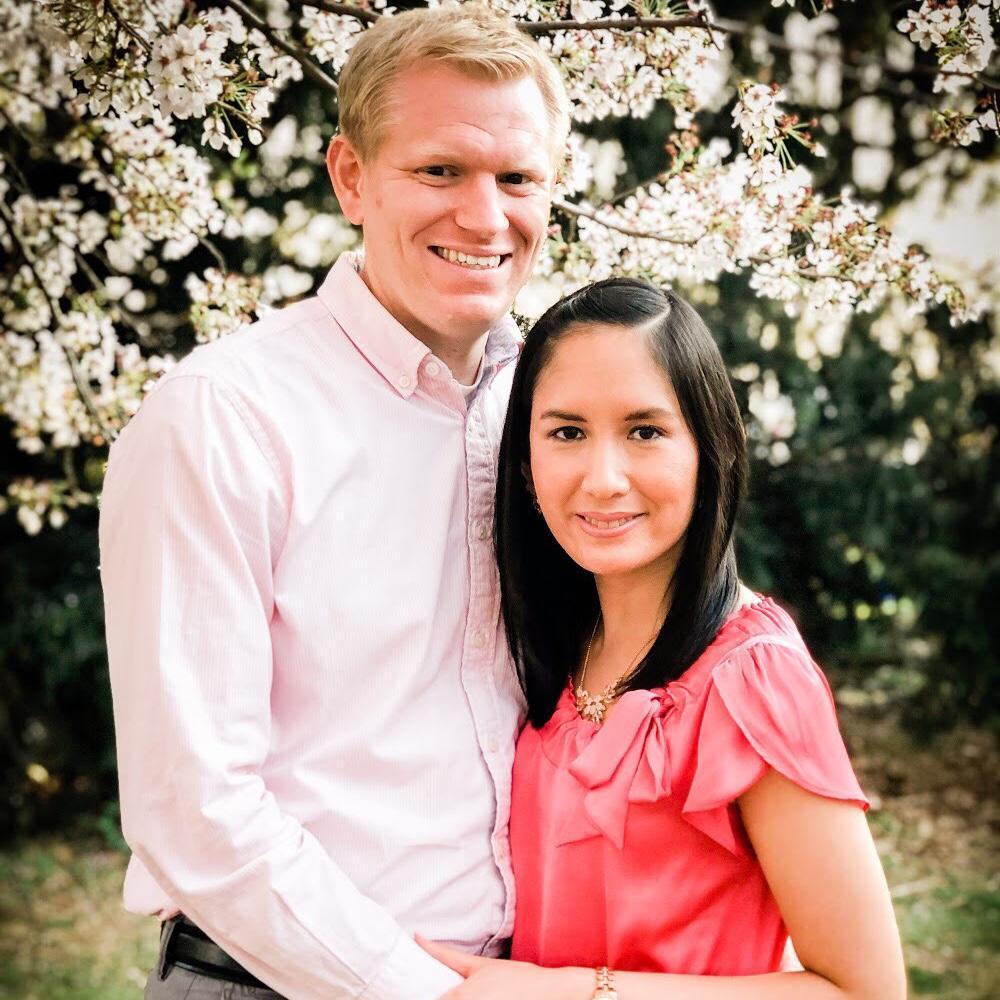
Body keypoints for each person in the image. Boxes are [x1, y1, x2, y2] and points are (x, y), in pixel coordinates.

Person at [99, 6, 569, 999]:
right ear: (350, 177)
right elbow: (195, 807)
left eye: (517, 178)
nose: (485, 216)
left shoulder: (559, 408)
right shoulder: (224, 417)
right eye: (440, 170)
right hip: (272, 983)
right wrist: (429, 991)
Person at [419, 278, 906, 999]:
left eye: (645, 431)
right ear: (524, 465)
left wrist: (570, 993)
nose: (604, 478)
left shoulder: (752, 678)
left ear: (710, 450)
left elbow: (865, 990)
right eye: (567, 432)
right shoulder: (549, 645)